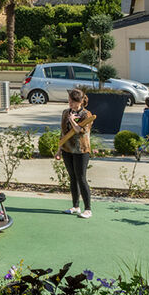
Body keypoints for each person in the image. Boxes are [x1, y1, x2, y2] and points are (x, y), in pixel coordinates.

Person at [56, 88, 93, 219]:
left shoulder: (86, 115)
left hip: (81, 150)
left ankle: (88, 209)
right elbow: (63, 132)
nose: (70, 103)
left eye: (72, 101)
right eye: (69, 101)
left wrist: (72, 120)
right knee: (72, 177)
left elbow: (81, 131)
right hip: (67, 149)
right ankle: (76, 206)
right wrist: (59, 149)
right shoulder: (65, 112)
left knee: (81, 177)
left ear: (80, 101)